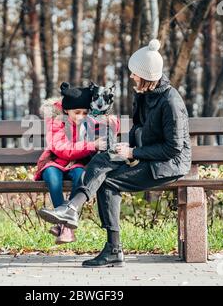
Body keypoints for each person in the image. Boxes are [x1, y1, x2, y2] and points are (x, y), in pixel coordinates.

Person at [38, 39, 192, 267]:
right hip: (143, 154)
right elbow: (139, 128)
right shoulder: (144, 95)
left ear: (146, 76)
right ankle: (72, 210)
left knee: (108, 182)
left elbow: (173, 149)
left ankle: (110, 247)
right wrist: (124, 149)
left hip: (166, 164)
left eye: (134, 73)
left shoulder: (171, 103)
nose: (131, 77)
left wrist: (133, 152)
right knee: (102, 157)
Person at [35, 82, 106, 244]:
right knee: (52, 176)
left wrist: (106, 117)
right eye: (77, 112)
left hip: (75, 163)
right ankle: (65, 225)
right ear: (66, 110)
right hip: (54, 162)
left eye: (84, 112)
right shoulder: (56, 121)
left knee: (81, 176)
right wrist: (90, 145)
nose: (81, 116)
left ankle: (63, 224)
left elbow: (108, 126)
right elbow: (60, 148)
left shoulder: (88, 121)